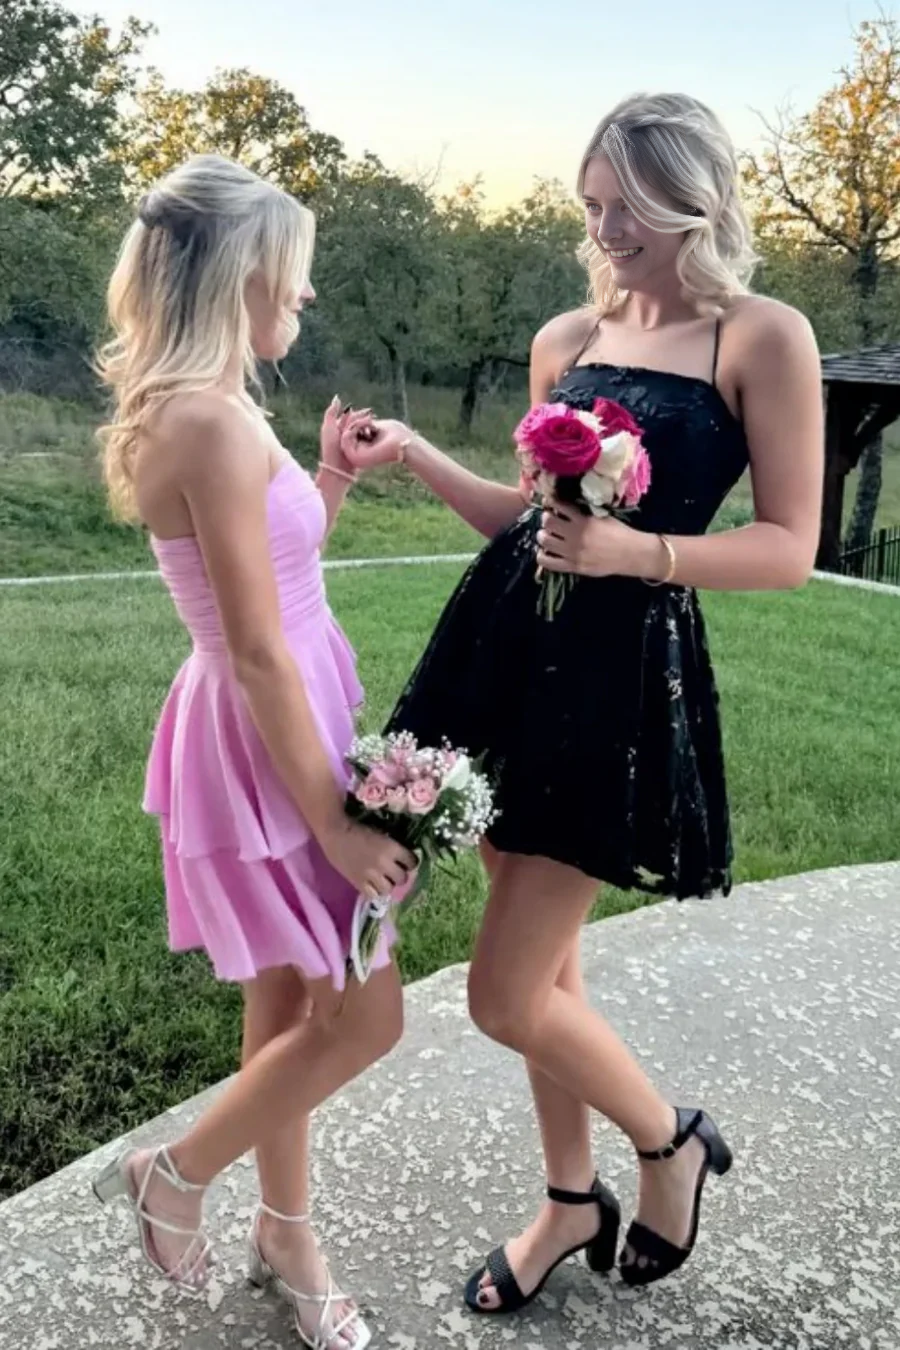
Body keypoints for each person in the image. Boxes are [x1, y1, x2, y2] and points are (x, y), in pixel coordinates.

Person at [340, 93, 823, 1315]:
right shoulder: (570, 336)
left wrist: (639, 554)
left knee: (503, 993)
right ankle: (568, 1199)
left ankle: (670, 1143)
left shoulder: (760, 337)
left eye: (626, 208)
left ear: (691, 201)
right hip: (506, 656)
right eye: (591, 206)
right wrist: (417, 457)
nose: (604, 231)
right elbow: (526, 524)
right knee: (549, 976)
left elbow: (788, 546)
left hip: (618, 681)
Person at [92, 154, 415, 1350]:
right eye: (296, 268)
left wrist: (328, 475)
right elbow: (259, 647)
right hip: (267, 728)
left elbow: (282, 564)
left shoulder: (218, 408)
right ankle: (174, 1174)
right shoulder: (204, 422)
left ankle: (288, 1235)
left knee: (286, 1003)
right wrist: (334, 818)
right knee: (367, 1018)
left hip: (276, 708)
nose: (308, 293)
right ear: (241, 272)